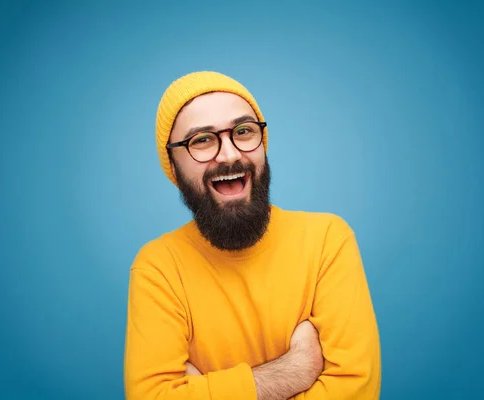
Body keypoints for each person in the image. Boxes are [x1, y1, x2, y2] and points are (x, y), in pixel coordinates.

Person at [123, 71, 381, 399]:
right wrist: (296, 368)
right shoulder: (158, 268)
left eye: (243, 131)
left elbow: (356, 389)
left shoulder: (327, 242)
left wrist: (207, 390)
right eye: (201, 139)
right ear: (173, 165)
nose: (230, 155)